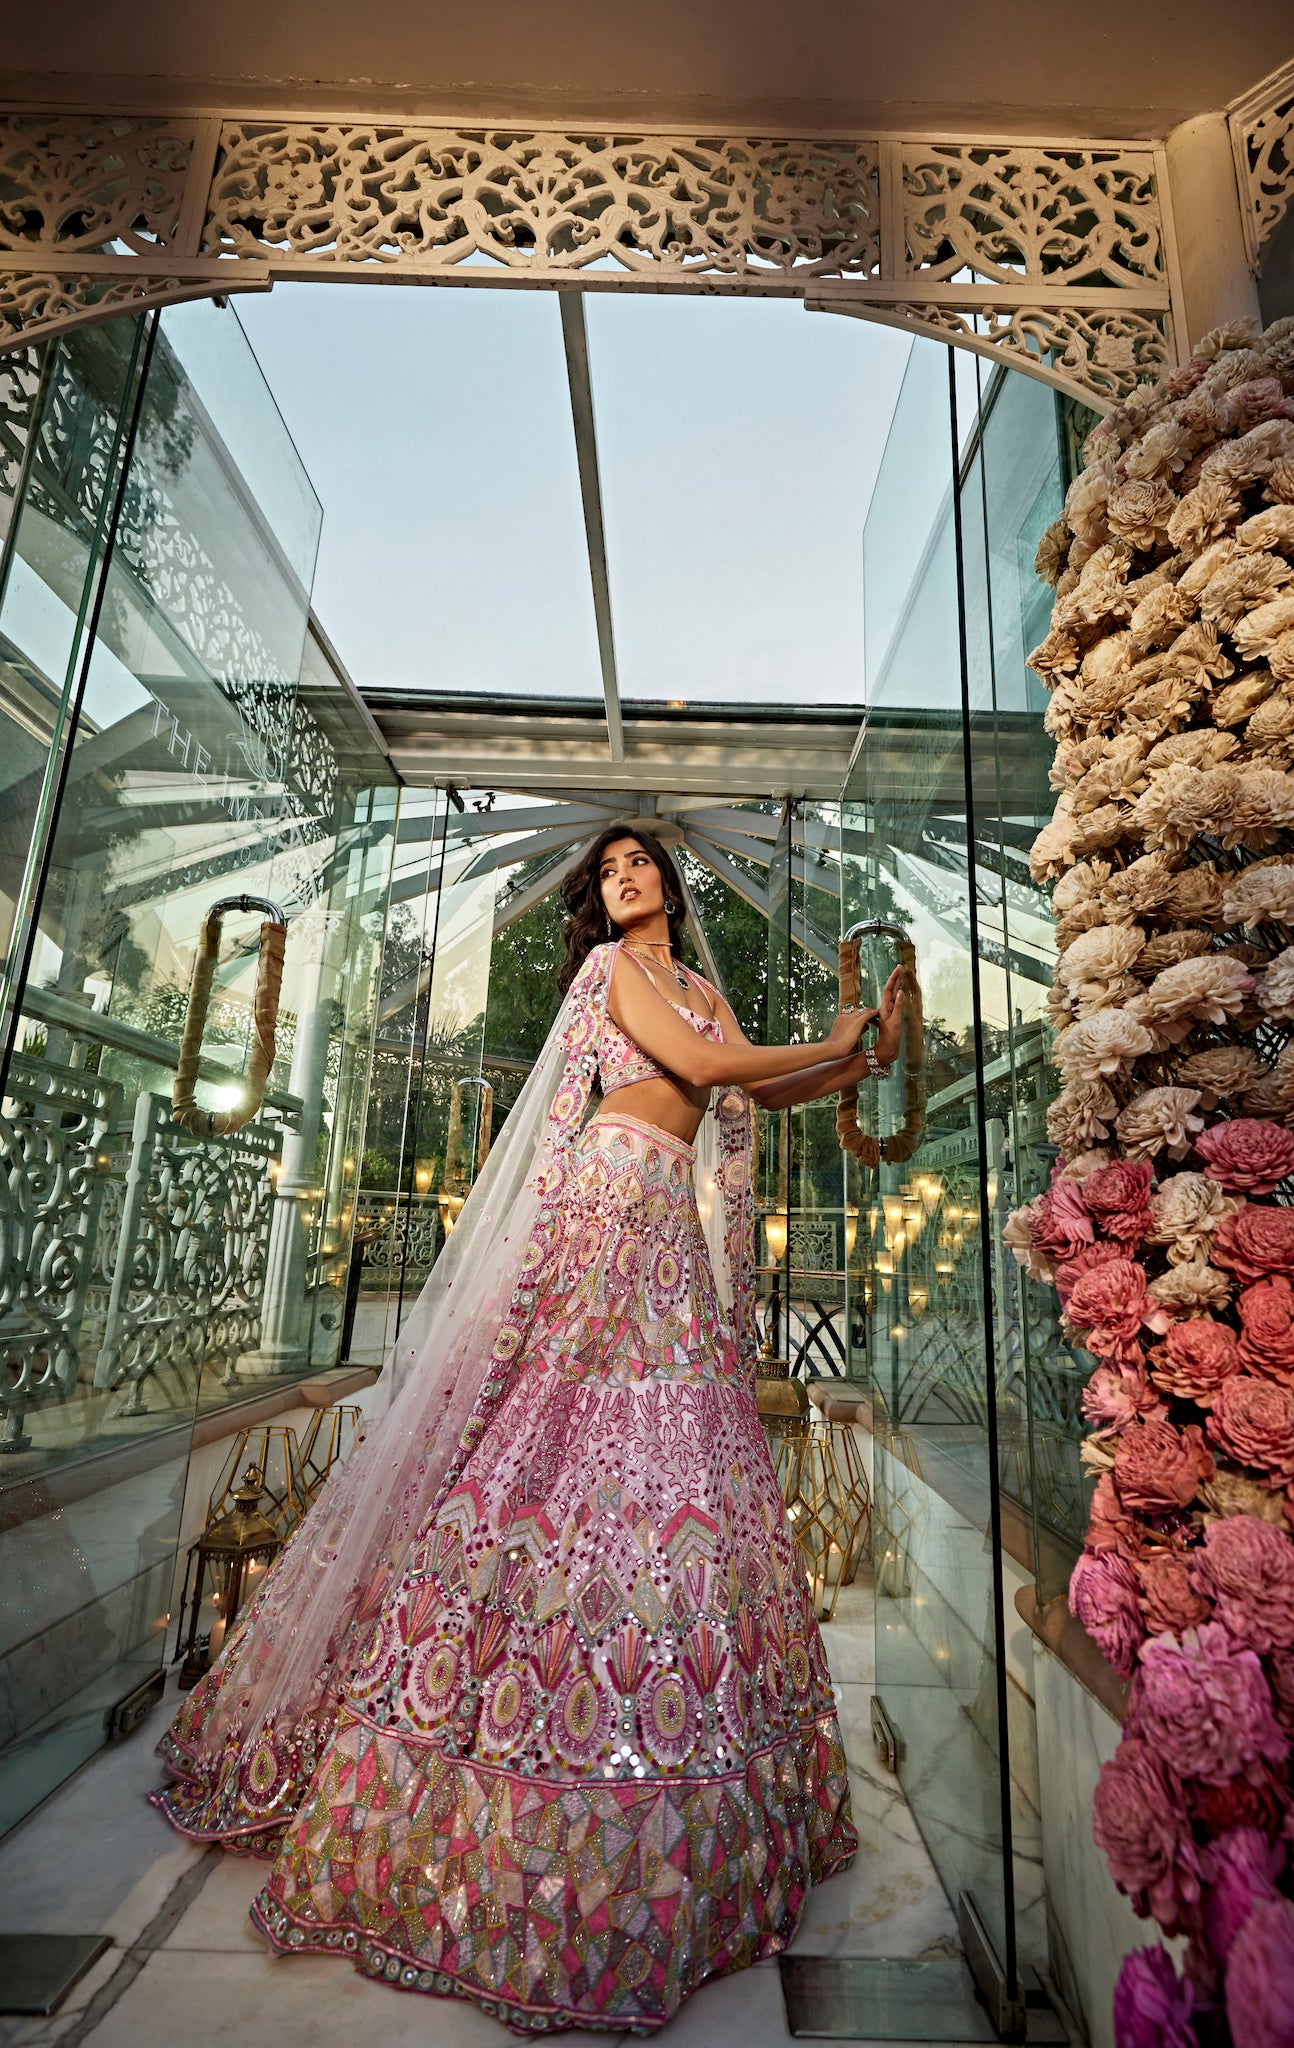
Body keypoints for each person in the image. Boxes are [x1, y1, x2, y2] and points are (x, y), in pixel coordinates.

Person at [152, 824, 904, 2035]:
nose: (624, 875)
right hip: (607, 1199)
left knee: (672, 1453)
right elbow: (693, 1065)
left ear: (669, 882)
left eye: (638, 861)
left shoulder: (699, 982)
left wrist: (856, 1057)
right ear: (599, 901)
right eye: (607, 869)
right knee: (553, 1433)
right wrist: (828, 1039)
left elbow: (754, 1083)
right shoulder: (613, 972)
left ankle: (661, 1699)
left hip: (668, 1219)